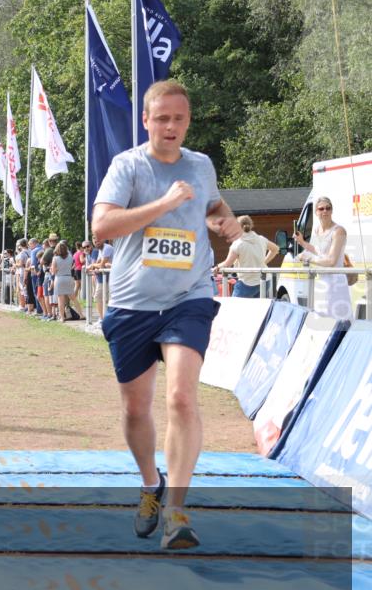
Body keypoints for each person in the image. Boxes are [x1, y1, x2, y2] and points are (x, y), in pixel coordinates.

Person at [92, 80, 241, 551]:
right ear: (146, 121)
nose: (170, 126)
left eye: (178, 119)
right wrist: (162, 204)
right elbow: (101, 226)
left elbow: (212, 203)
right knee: (136, 408)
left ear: (188, 121)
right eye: (162, 118)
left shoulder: (201, 166)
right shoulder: (127, 166)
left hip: (188, 297)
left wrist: (225, 220)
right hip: (133, 303)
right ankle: (150, 484)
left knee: (180, 398)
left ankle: (177, 510)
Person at [293, 196, 351, 320]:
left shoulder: (339, 231)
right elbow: (319, 251)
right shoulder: (317, 230)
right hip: (322, 281)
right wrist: (303, 242)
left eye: (328, 208)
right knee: (322, 322)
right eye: (321, 208)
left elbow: (331, 261)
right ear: (316, 212)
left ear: (332, 210)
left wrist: (307, 258)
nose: (325, 211)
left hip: (336, 282)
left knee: (338, 323)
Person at [214, 215, 279, 298]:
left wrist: (216, 267)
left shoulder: (238, 244)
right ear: (251, 225)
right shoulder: (261, 239)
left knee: (234, 309)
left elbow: (227, 264)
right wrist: (264, 262)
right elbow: (276, 249)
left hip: (246, 283)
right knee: (258, 310)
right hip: (264, 281)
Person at [88, 234, 114, 322]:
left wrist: (92, 265)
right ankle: (103, 318)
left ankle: (104, 319)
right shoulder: (100, 249)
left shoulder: (107, 248)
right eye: (94, 239)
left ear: (103, 239)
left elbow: (101, 265)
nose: (96, 241)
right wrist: (94, 266)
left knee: (100, 297)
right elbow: (99, 263)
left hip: (110, 278)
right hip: (105, 278)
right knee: (101, 298)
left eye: (98, 239)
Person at [50, 242, 75, 322]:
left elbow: (53, 271)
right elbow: (72, 266)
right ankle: (81, 314)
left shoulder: (55, 258)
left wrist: (56, 269)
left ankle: (62, 317)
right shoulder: (70, 257)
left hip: (59, 278)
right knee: (73, 297)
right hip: (68, 277)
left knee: (60, 299)